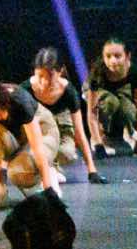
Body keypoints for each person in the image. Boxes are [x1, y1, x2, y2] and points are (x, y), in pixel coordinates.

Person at [0, 69, 63, 217]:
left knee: (19, 173)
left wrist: (48, 188)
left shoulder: (18, 100)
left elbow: (37, 146)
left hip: (41, 132)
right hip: (13, 141)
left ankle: (49, 173)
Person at [28, 47, 104, 184]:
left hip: (62, 129)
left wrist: (92, 170)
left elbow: (79, 132)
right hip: (39, 132)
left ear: (60, 72)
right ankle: (47, 169)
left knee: (68, 153)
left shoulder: (68, 91)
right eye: (40, 76)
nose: (44, 82)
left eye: (50, 76)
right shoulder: (26, 89)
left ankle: (50, 167)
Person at [86, 37, 137, 157]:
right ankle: (100, 137)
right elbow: (92, 112)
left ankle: (129, 133)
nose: (113, 61)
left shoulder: (134, 72)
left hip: (121, 89)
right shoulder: (97, 72)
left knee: (128, 109)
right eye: (108, 56)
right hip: (100, 92)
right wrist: (98, 144)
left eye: (117, 56)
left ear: (127, 56)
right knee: (111, 102)